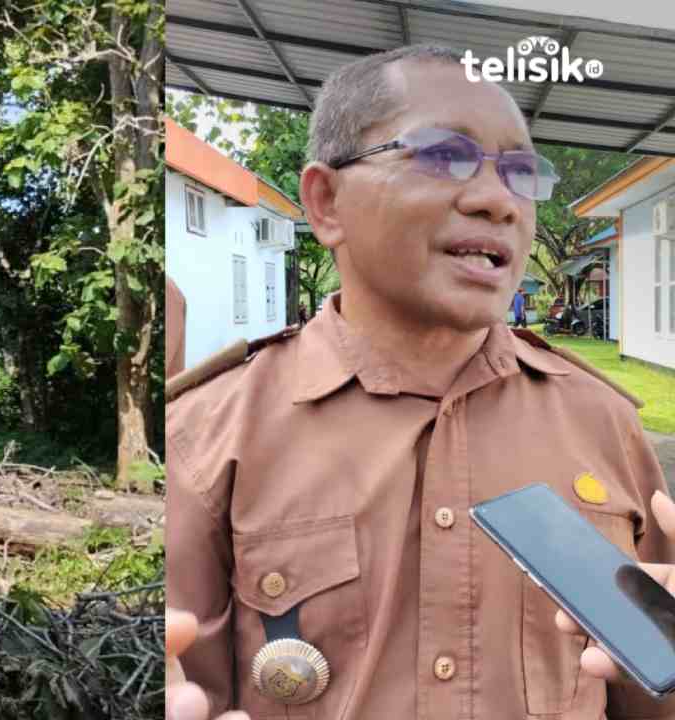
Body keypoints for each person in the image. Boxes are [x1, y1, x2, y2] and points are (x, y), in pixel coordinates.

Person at [165, 44, 675, 720]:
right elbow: (188, 685)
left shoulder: (601, 420)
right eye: (441, 156)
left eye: (521, 173)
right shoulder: (206, 434)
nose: (498, 200)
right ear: (325, 203)